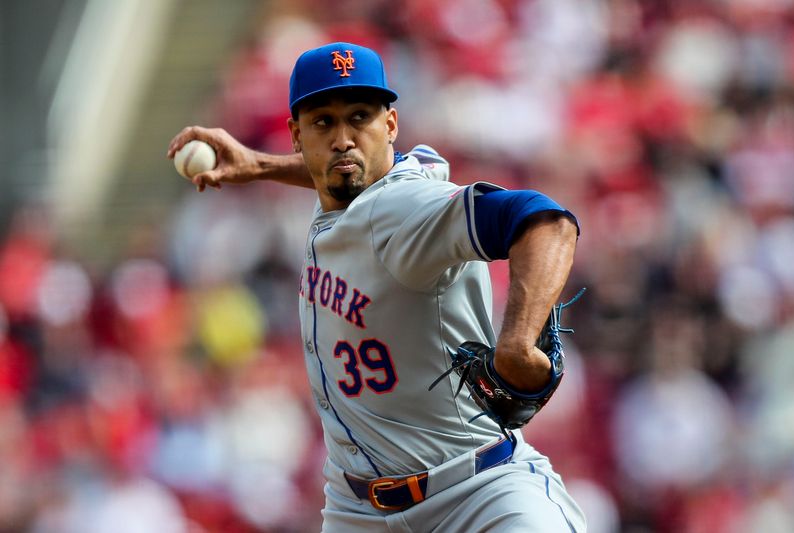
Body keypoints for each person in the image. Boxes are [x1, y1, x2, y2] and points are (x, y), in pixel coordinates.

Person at [168, 42, 585, 532]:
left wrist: (516, 342)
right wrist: (260, 166)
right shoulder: (359, 191)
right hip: (357, 509)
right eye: (323, 122)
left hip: (477, 497)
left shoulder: (404, 209)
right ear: (296, 135)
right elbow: (341, 172)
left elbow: (546, 222)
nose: (344, 138)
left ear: (389, 124)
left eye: (360, 117)